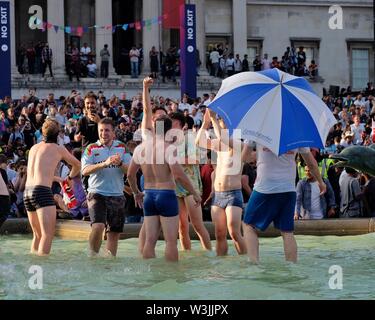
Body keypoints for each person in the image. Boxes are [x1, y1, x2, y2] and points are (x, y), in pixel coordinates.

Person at [127, 77, 201, 262]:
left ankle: (148, 274)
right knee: (170, 242)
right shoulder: (169, 148)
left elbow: (130, 174)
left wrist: (136, 192)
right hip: (166, 194)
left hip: (149, 195)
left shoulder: (141, 147)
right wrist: (194, 192)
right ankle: (172, 278)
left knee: (150, 241)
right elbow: (178, 175)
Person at [242, 145, 326, 264]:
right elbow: (311, 163)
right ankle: (291, 266)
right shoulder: (297, 131)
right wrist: (321, 182)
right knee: (287, 232)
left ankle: (253, 264)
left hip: (264, 188)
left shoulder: (260, 127)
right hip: (288, 188)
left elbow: (244, 157)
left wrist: (258, 155)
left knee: (248, 225)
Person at [24, 119, 81, 256]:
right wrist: (69, 178)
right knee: (47, 235)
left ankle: (33, 267)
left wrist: (57, 179)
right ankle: (42, 269)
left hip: (28, 192)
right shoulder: (58, 148)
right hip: (42, 192)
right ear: (58, 134)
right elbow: (77, 165)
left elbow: (37, 173)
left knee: (37, 235)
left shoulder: (33, 148)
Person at [196, 110, 248, 256]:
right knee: (219, 234)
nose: (220, 122)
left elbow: (224, 139)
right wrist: (205, 123)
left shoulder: (239, 143)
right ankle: (221, 264)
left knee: (234, 232)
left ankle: (246, 261)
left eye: (222, 121)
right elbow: (198, 141)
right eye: (220, 121)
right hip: (218, 195)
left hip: (233, 193)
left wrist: (212, 117)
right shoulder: (220, 145)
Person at [82, 118, 130, 257]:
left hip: (116, 194)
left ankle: (110, 263)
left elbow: (130, 170)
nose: (104, 133)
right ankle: (92, 257)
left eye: (107, 130)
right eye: (101, 130)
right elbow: (84, 170)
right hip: (96, 193)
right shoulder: (91, 147)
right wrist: (104, 163)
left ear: (113, 132)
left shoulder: (122, 147)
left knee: (114, 233)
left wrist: (120, 163)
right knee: (98, 226)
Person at [169, 112, 211, 251]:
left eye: (174, 123)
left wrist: (174, 161)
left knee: (197, 224)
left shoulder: (189, 138)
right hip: (175, 187)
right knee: (182, 227)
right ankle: (187, 255)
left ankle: (209, 253)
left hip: (190, 185)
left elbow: (198, 159)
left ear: (182, 126)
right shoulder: (167, 142)